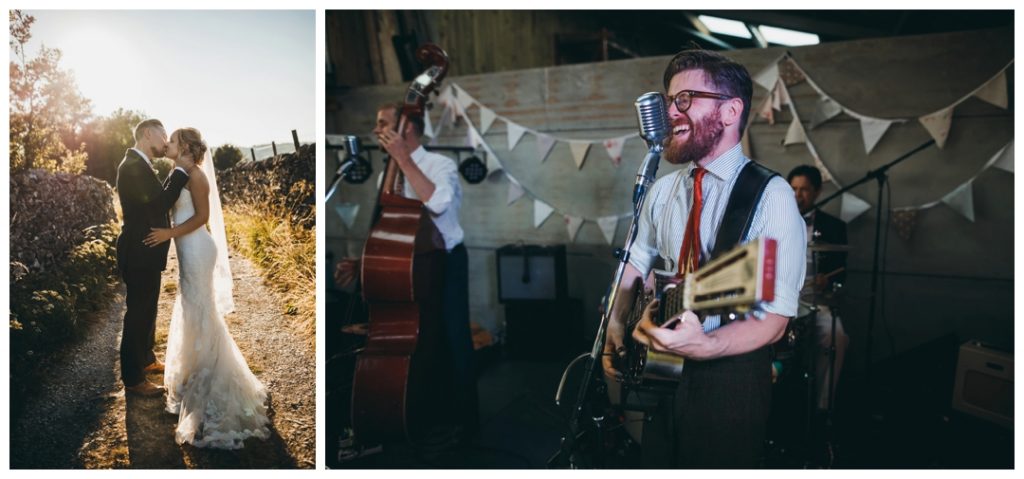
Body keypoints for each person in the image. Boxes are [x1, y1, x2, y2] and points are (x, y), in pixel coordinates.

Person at [601, 49, 806, 467]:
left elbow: (775, 319)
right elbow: (636, 261)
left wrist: (707, 346)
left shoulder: (772, 196)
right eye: (670, 99)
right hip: (658, 369)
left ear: (730, 112)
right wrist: (616, 324)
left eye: (685, 99)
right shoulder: (662, 190)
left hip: (730, 377)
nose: (672, 112)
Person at [334, 104, 478, 440]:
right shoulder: (390, 174)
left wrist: (403, 159)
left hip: (445, 262)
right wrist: (363, 264)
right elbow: (393, 231)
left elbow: (438, 204)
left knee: (453, 338)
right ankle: (421, 413)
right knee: (417, 340)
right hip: (407, 266)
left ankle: (466, 423)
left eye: (383, 123)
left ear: (407, 128)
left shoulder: (440, 165)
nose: (376, 129)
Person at [143, 127, 270, 449]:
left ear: (185, 146)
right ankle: (196, 372)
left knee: (201, 309)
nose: (167, 145)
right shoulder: (178, 170)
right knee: (192, 307)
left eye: (171, 141)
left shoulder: (197, 176)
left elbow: (202, 217)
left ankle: (213, 381)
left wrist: (168, 234)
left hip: (198, 248)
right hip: (187, 249)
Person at [115, 119, 190, 397]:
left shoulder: (140, 163)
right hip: (138, 251)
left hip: (146, 252)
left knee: (149, 309)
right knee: (137, 314)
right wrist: (181, 170)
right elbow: (159, 203)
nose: (165, 140)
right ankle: (133, 380)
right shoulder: (132, 166)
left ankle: (145, 359)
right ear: (148, 134)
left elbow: (155, 197)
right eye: (162, 134)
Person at [787, 164, 850, 411]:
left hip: (817, 300)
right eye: (793, 189)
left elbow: (842, 274)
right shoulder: (775, 220)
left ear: (817, 192)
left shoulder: (834, 227)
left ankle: (822, 407)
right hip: (783, 300)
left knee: (838, 338)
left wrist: (828, 281)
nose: (797, 195)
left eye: (804, 190)